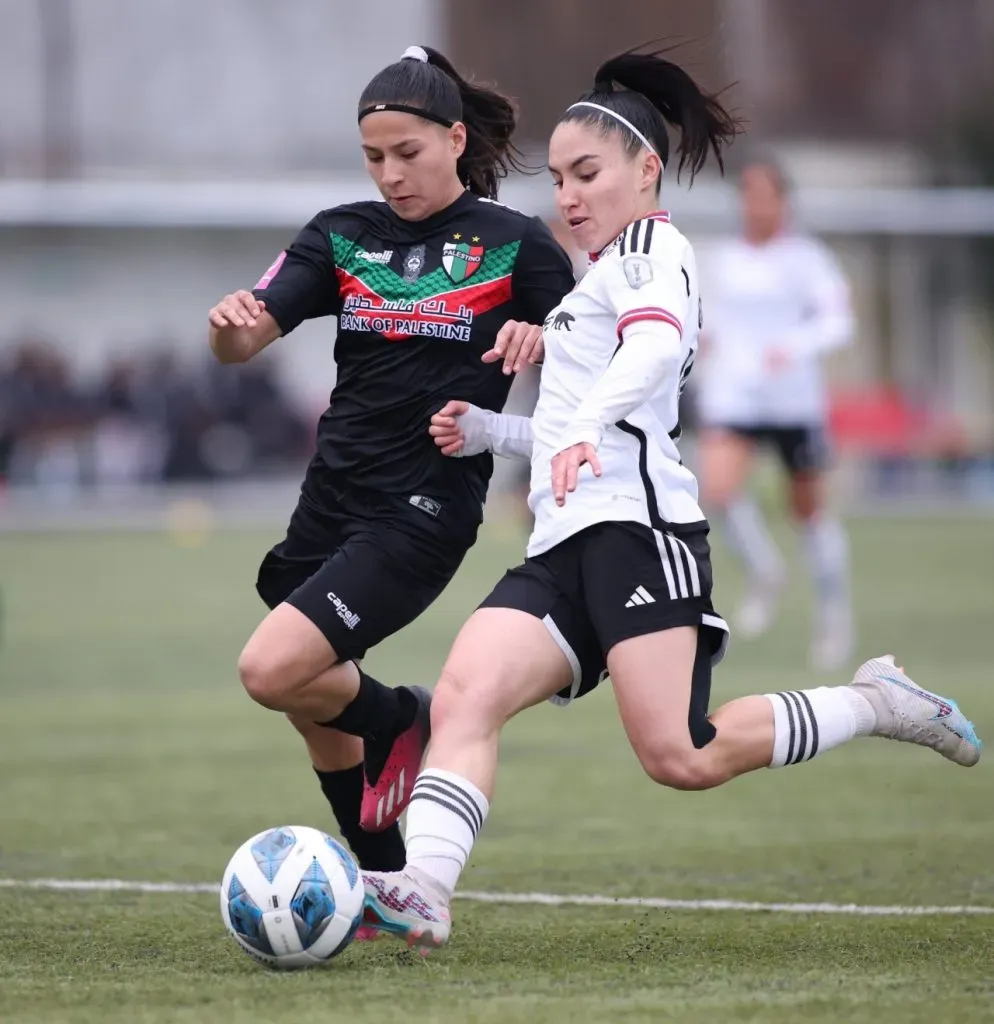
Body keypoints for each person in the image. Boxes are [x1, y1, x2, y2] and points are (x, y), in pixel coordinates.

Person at [357, 48, 983, 950]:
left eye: (587, 173)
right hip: (565, 542)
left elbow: (647, 362)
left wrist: (574, 431)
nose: (568, 195)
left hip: (639, 537)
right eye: (560, 177)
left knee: (680, 756)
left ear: (645, 171)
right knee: (463, 696)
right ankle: (424, 888)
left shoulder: (658, 251)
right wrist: (501, 434)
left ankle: (876, 700)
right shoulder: (597, 280)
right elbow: (595, 426)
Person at [207, 46, 575, 887]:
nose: (390, 174)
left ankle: (406, 715)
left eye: (406, 153)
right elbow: (247, 335)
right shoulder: (341, 235)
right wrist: (228, 326)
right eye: (375, 157)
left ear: (453, 139)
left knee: (272, 670)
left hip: (423, 508)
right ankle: (381, 879)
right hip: (329, 497)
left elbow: (595, 353)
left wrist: (545, 339)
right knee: (311, 699)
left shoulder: (514, 244)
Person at [694, 160, 855, 670]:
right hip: (736, 395)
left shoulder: (807, 259)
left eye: (765, 195)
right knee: (717, 489)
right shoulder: (724, 258)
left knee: (808, 512)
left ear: (783, 201)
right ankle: (765, 571)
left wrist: (794, 346)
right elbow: (709, 315)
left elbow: (838, 321)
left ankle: (834, 616)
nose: (755, 205)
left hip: (793, 400)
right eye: (748, 195)